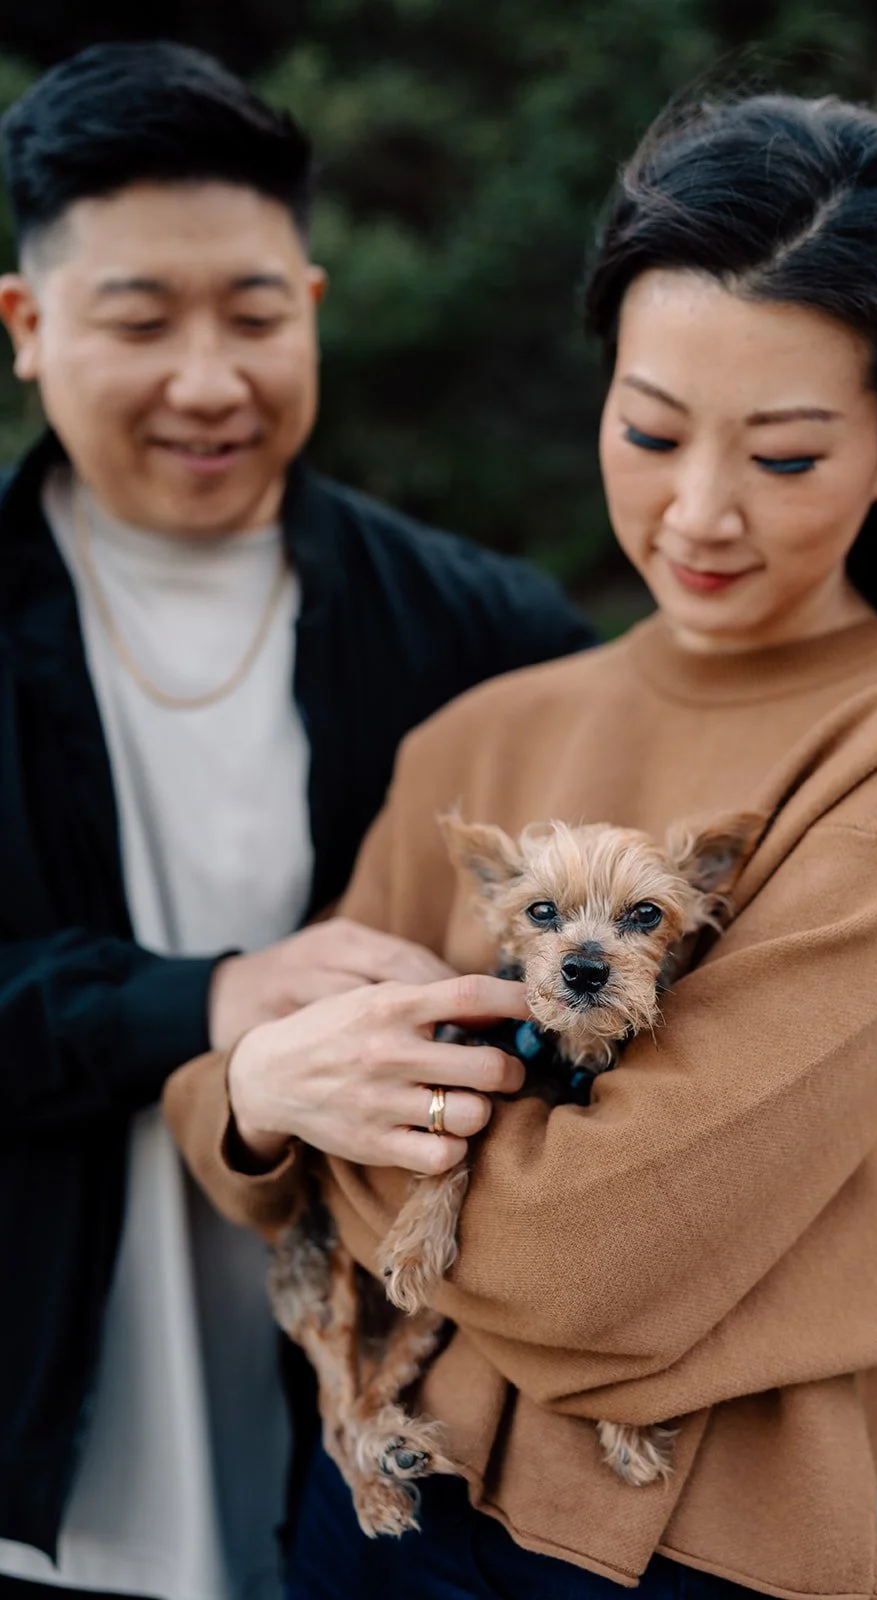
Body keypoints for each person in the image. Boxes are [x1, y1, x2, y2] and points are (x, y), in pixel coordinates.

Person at [167, 92, 877, 1599]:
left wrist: (359, 1133)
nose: (698, 512)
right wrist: (264, 1091)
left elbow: (598, 1260)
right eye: (650, 430)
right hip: (370, 1505)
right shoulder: (479, 737)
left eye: (783, 455)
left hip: (678, 1555)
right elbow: (232, 1100)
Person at [0, 40, 593, 1600]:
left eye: (254, 315)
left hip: (379, 1454)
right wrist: (203, 1003)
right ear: (26, 324)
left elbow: (698, 903)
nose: (211, 378)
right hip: (39, 1440)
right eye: (140, 319)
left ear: (312, 310)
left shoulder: (480, 626)